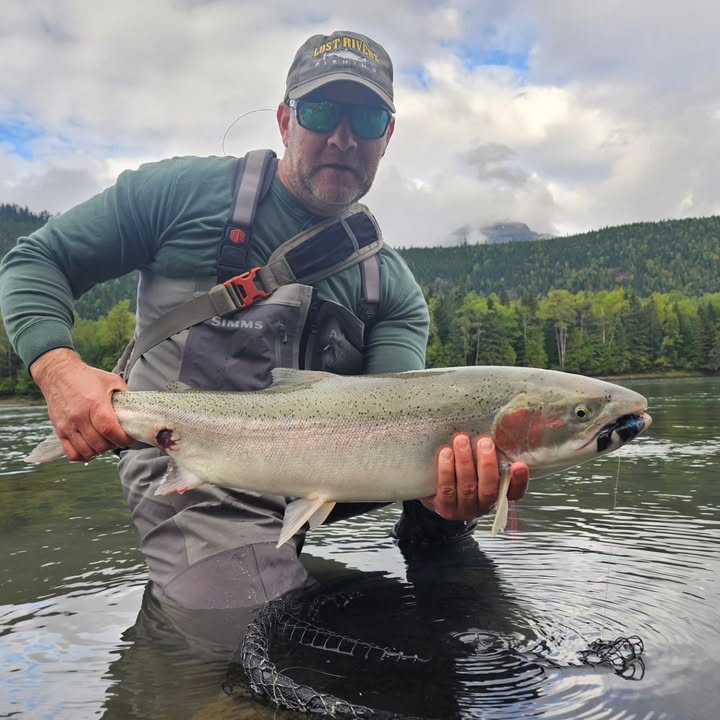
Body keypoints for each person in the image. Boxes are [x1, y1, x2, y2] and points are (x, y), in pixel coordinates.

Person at [0, 30, 529, 610]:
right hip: (191, 477)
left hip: (298, 494)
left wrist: (439, 510)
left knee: (466, 625)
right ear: (284, 121)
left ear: (388, 137)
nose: (343, 137)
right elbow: (35, 261)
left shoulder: (394, 291)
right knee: (256, 639)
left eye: (368, 119)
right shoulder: (178, 194)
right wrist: (57, 367)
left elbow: (385, 445)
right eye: (322, 112)